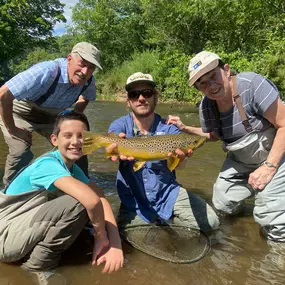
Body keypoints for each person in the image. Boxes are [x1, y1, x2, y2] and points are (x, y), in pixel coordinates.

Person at [168, 51, 285, 241]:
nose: (211, 86)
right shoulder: (207, 106)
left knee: (268, 211)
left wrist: (269, 167)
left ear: (226, 70)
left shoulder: (252, 85)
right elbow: (214, 135)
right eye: (202, 83)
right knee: (222, 203)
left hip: (279, 153)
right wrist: (185, 128)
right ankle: (243, 226)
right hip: (242, 159)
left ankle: (277, 254)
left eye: (213, 76)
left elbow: (284, 124)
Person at [0, 111, 124, 284]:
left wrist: (115, 243)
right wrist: (101, 238)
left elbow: (100, 196)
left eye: (81, 136)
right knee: (80, 202)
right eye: (68, 135)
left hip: (19, 229)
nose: (75, 141)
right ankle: (39, 266)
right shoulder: (47, 164)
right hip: (4, 238)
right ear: (54, 140)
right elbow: (92, 200)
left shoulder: (72, 168)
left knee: (87, 207)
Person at [108, 72, 220, 232]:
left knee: (211, 223)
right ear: (128, 101)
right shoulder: (120, 125)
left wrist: (181, 160)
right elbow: (112, 137)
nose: (141, 98)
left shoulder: (170, 128)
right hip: (134, 200)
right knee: (146, 241)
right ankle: (161, 225)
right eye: (134, 94)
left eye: (147, 93)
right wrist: (112, 147)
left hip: (167, 194)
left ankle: (170, 224)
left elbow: (179, 166)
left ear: (155, 97)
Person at [0, 41, 101, 186]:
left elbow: (85, 97)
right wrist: (13, 129)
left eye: (91, 68)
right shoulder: (47, 70)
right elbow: (3, 94)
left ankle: (80, 185)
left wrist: (72, 117)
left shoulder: (89, 80)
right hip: (19, 113)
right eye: (82, 64)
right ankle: (10, 193)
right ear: (69, 59)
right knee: (20, 151)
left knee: (79, 147)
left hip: (52, 118)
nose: (85, 72)